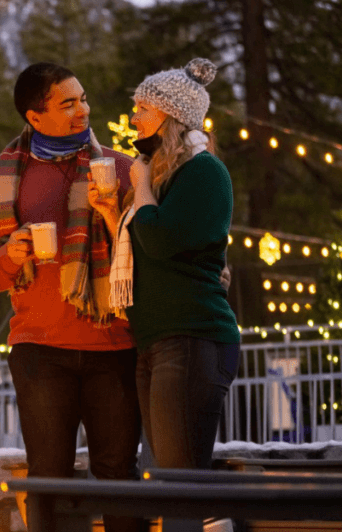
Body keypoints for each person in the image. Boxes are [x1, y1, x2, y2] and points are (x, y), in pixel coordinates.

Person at [0, 62, 146, 532]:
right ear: (35, 116)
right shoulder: (0, 183)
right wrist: (8, 255)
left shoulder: (122, 171)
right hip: (40, 351)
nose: (83, 109)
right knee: (49, 479)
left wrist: (111, 217)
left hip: (114, 346)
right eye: (68, 103)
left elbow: (148, 255)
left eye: (83, 98)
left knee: (119, 477)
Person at [109, 58, 241, 532]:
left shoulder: (204, 173)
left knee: (181, 484)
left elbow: (161, 240)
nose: (133, 117)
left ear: (169, 117)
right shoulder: (161, 177)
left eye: (142, 107)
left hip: (192, 338)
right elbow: (144, 249)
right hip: (158, 342)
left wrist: (140, 187)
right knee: (170, 482)